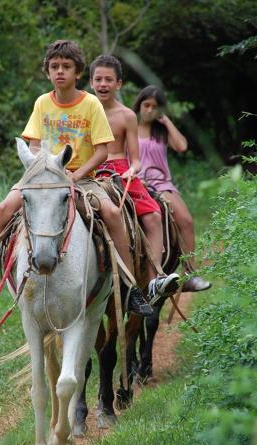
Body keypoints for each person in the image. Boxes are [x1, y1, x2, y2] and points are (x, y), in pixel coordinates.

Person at [0, 40, 152, 316]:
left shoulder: (91, 104)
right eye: (54, 67)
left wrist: (75, 174)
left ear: (78, 73)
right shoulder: (43, 103)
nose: (60, 72)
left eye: (67, 67)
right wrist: (41, 165)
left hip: (83, 178)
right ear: (47, 72)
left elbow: (102, 151)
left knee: (113, 213)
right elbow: (33, 144)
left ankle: (128, 287)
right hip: (43, 178)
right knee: (3, 209)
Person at [89, 55, 180, 306]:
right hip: (89, 170)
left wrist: (133, 170)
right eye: (98, 79)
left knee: (153, 216)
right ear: (90, 82)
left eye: (109, 79)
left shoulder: (127, 115)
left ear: (119, 83)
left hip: (120, 170)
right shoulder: (83, 110)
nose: (103, 84)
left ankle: (154, 279)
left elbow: (136, 158)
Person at [133, 85, 211, 292]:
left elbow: (182, 146)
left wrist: (166, 121)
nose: (149, 110)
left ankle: (189, 274)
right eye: (146, 105)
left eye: (155, 107)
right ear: (139, 105)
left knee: (185, 220)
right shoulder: (129, 127)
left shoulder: (162, 131)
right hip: (135, 182)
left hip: (161, 184)